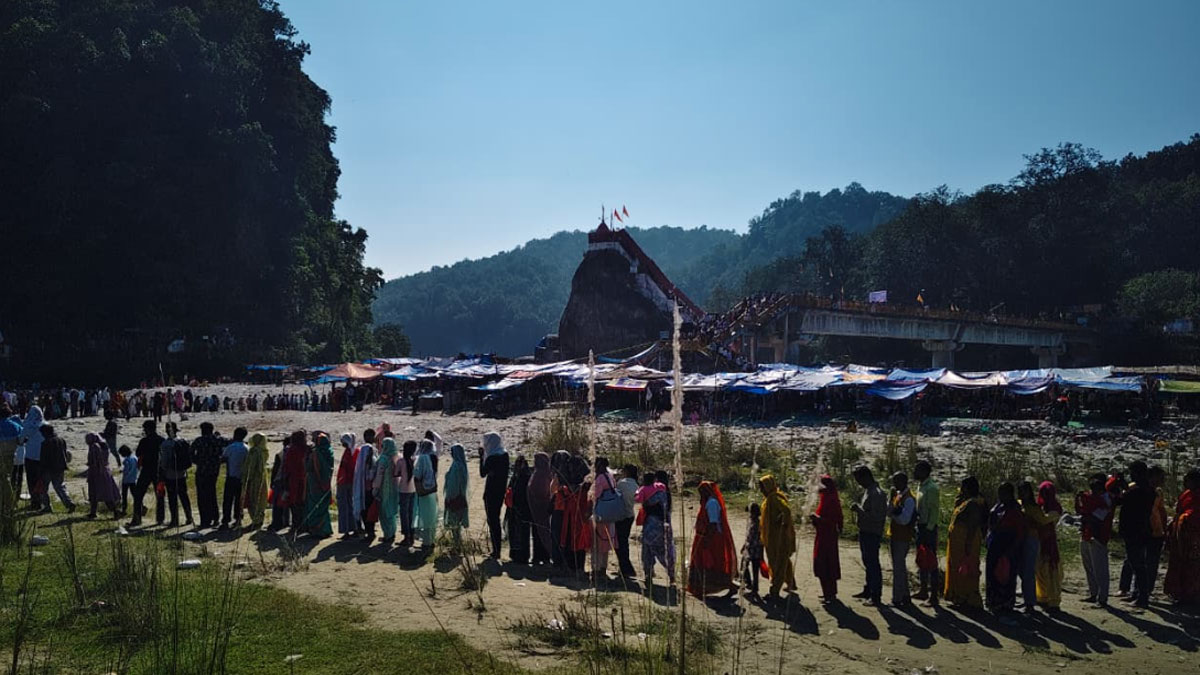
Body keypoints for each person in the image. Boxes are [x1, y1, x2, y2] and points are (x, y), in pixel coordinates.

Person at [688, 480, 738, 598]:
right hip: (703, 537)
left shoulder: (712, 503)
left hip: (712, 539)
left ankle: (729, 586)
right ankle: (701, 588)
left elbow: (713, 524)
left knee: (713, 563)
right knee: (702, 563)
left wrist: (706, 540)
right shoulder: (707, 502)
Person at [1117, 461, 1155, 609]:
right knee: (1138, 564)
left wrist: (1121, 488)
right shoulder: (1148, 490)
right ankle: (1138, 594)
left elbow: (1122, 500)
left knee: (1138, 565)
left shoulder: (1138, 491)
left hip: (1134, 531)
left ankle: (1142, 597)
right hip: (1142, 530)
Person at [943, 476, 985, 608]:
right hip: (958, 541)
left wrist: (968, 544)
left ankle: (968, 598)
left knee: (966, 568)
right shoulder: (965, 501)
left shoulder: (973, 503)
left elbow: (973, 525)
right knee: (956, 567)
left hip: (967, 541)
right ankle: (958, 596)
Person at [986, 482, 1024, 617]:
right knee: (993, 573)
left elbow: (1019, 532)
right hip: (995, 544)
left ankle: (1006, 604)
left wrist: (1011, 549)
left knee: (1006, 575)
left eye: (1003, 493)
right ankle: (993, 602)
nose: (1000, 496)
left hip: (1008, 546)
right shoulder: (998, 507)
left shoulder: (1015, 510)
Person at [1076, 472, 1114, 607]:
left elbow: (1098, 518)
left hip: (1098, 536)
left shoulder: (1107, 499)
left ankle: (1102, 597)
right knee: (1089, 567)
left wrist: (1086, 517)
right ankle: (1093, 593)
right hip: (1087, 533)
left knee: (1100, 568)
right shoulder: (1092, 497)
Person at [851, 466, 887, 605]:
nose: (859, 483)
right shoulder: (869, 491)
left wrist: (858, 510)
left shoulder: (877, 494)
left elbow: (876, 517)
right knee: (867, 562)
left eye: (859, 480)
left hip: (872, 532)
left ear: (866, 477)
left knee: (873, 563)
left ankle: (875, 595)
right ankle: (868, 589)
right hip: (865, 531)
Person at [1164, 468, 1200, 605]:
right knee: (1178, 563)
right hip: (1181, 536)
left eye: (1188, 480)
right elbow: (1179, 511)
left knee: (1193, 566)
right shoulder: (1186, 494)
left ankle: (1192, 594)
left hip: (1194, 537)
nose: (1185, 483)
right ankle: (1178, 592)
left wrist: (1185, 518)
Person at [758, 474, 797, 601]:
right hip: (773, 537)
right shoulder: (769, 499)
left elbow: (786, 510)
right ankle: (791, 583)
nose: (761, 490)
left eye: (763, 487)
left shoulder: (774, 498)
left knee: (777, 564)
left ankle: (774, 591)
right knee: (784, 561)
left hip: (779, 538)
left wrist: (783, 522)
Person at [1016, 481, 1052, 613]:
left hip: (1031, 539)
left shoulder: (1034, 507)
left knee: (1028, 571)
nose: (1021, 494)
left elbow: (1042, 521)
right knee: (1021, 569)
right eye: (1020, 491)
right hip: (1020, 539)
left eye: (1024, 491)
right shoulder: (1019, 505)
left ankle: (1030, 602)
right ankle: (1027, 599)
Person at [635, 472, 675, 587]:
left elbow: (637, 499)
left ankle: (648, 575)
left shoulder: (644, 490)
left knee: (647, 551)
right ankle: (672, 577)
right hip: (664, 524)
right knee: (666, 551)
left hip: (651, 525)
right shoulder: (664, 493)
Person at [811, 475, 843, 604]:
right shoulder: (824, 499)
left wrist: (818, 519)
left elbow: (833, 521)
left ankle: (830, 594)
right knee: (823, 562)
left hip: (828, 537)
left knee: (826, 563)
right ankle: (828, 593)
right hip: (823, 535)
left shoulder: (831, 500)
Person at [912, 460, 940, 607]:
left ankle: (934, 596)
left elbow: (934, 511)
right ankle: (923, 590)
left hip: (928, 528)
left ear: (924, 471)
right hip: (921, 526)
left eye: (917, 470)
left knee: (931, 561)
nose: (914, 472)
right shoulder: (921, 486)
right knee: (922, 560)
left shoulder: (932, 488)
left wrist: (928, 529)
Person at [887, 472, 916, 607]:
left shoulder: (909, 499)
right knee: (899, 567)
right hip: (895, 534)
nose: (894, 484)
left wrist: (893, 514)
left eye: (896, 481)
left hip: (902, 536)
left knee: (898, 569)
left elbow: (905, 520)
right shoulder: (899, 495)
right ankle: (905, 595)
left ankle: (897, 598)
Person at [478, 432, 510, 559]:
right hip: (501, 490)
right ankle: (497, 549)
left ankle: (496, 551)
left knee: (493, 520)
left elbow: (482, 473)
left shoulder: (492, 458)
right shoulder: (504, 455)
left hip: (491, 491)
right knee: (496, 518)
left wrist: (481, 457)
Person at [1034, 481, 1064, 610]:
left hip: (1049, 541)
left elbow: (1044, 519)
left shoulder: (1055, 507)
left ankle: (1054, 600)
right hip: (1040, 540)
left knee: (1051, 571)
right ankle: (1042, 596)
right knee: (1040, 569)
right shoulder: (1039, 506)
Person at [158, 422, 193, 527]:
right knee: (184, 496)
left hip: (170, 475)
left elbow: (164, 462)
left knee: (172, 498)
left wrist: (162, 472)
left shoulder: (165, 444)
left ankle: (175, 520)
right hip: (182, 473)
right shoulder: (183, 441)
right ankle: (189, 517)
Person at [591, 457, 619, 581]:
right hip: (610, 513)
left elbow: (594, 496)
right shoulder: (610, 476)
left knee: (596, 543)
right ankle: (603, 567)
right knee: (605, 542)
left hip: (600, 514)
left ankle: (596, 568)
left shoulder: (600, 478)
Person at [192, 422, 225, 529]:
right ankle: (215, 518)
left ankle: (205, 521)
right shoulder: (218, 440)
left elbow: (190, 453)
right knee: (212, 494)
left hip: (202, 471)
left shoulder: (199, 441)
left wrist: (197, 461)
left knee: (202, 497)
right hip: (214, 471)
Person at [37, 424, 74, 514]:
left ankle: (47, 506)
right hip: (60, 467)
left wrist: (40, 470)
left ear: (45, 433)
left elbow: (43, 458)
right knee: (59, 487)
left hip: (48, 469)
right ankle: (69, 503)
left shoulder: (46, 443)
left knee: (43, 488)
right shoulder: (61, 440)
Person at [279, 431, 309, 535]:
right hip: (304, 479)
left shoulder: (292, 450)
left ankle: (296, 525)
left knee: (294, 502)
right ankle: (302, 525)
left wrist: (285, 480)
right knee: (302, 502)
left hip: (294, 480)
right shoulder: (306, 449)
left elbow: (287, 467)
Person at [305, 433, 334, 538]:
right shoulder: (329, 451)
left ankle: (317, 529)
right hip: (326, 482)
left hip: (315, 483)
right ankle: (326, 529)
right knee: (323, 506)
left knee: (315, 506)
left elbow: (309, 467)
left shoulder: (316, 453)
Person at [527, 452, 554, 565]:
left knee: (543, 532)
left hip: (541, 508)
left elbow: (542, 493)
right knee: (538, 532)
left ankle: (545, 556)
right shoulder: (541, 473)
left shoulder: (541, 475)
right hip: (539, 509)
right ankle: (539, 556)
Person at [413, 437, 440, 549]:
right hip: (432, 490)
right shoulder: (433, 458)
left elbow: (417, 475)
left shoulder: (422, 458)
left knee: (424, 516)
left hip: (424, 490)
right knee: (431, 516)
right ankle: (430, 540)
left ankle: (426, 542)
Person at [84, 433, 119, 518]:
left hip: (97, 472)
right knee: (106, 493)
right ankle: (95, 513)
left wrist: (90, 465)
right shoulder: (104, 446)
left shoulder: (94, 447)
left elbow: (95, 461)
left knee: (95, 493)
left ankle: (115, 512)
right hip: (105, 471)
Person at [373, 438, 401, 544]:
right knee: (392, 511)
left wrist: (375, 488)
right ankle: (392, 533)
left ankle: (387, 535)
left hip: (384, 490)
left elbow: (379, 476)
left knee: (384, 512)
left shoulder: (383, 459)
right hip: (394, 489)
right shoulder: (396, 458)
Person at [221, 428, 249, 529]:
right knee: (239, 499)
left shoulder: (231, 447)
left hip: (231, 476)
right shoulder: (246, 448)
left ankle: (225, 520)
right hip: (241, 477)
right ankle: (238, 519)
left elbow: (223, 458)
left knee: (228, 499)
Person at [615, 464, 640, 578]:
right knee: (623, 542)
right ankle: (625, 568)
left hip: (620, 516)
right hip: (630, 515)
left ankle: (626, 568)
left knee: (619, 543)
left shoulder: (622, 483)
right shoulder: (635, 485)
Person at [507, 454, 533, 564]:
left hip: (523, 510)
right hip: (514, 509)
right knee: (514, 532)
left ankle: (523, 556)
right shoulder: (515, 477)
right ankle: (516, 555)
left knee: (523, 533)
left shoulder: (526, 478)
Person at [241, 433, 269, 531]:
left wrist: (246, 478)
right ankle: (260, 518)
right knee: (261, 498)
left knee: (254, 498)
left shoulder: (254, 451)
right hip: (263, 477)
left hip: (254, 479)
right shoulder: (264, 451)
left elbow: (250, 467)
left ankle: (256, 520)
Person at [444, 443, 470, 547]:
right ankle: (457, 543)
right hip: (461, 498)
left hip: (455, 498)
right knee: (457, 524)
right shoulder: (462, 465)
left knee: (454, 523)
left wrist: (450, 498)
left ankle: (456, 544)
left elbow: (454, 485)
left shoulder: (456, 467)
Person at [353, 429, 377, 541]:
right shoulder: (369, 451)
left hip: (365, 486)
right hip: (368, 486)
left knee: (366, 509)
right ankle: (370, 531)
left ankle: (370, 531)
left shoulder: (365, 451)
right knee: (367, 509)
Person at [20, 405, 45, 510]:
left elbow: (21, 440)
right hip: (43, 456)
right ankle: (43, 500)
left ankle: (35, 502)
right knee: (41, 480)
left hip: (30, 456)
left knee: (31, 480)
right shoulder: (45, 424)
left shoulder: (27, 425)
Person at [335, 433, 359, 539]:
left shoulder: (349, 452)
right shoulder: (356, 451)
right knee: (351, 505)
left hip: (344, 482)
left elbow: (346, 468)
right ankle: (354, 528)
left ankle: (346, 531)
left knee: (344, 506)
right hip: (351, 482)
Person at [741, 502, 764, 598]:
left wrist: (746, 546)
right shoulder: (753, 522)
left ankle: (752, 587)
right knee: (748, 566)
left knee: (750, 567)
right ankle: (750, 584)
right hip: (753, 548)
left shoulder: (756, 524)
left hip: (754, 549)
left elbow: (752, 538)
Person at [397, 440, 416, 547]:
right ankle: (411, 535)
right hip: (413, 489)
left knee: (404, 514)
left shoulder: (401, 461)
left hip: (403, 489)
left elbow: (396, 473)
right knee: (411, 513)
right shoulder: (414, 460)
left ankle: (406, 536)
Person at [119, 445, 137, 517]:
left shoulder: (126, 460)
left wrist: (123, 472)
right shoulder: (135, 458)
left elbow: (126, 470)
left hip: (126, 480)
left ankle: (124, 510)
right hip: (133, 479)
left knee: (124, 495)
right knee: (135, 495)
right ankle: (141, 507)